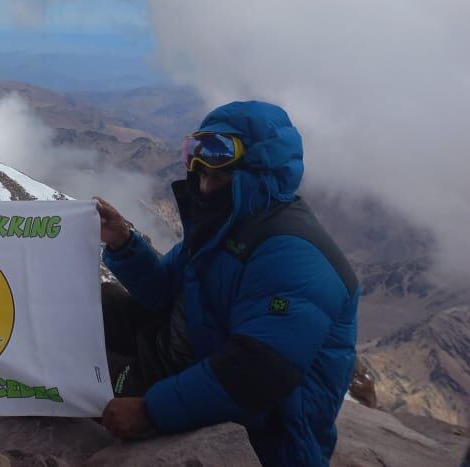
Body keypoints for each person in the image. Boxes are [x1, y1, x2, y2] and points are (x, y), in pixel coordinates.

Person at [94, 101, 359, 467]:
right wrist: (124, 243)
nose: (204, 187)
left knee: (79, 377)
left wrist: (150, 410)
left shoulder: (293, 258)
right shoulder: (226, 226)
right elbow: (161, 291)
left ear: (259, 175)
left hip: (253, 423)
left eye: (219, 176)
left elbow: (255, 374)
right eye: (199, 173)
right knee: (97, 303)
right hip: (184, 361)